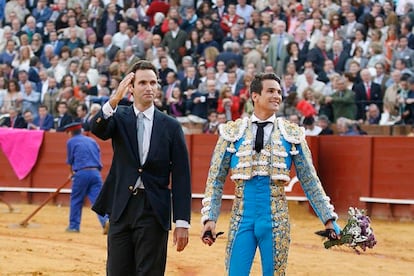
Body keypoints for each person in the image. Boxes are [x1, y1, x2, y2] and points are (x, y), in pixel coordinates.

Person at [200, 73, 341, 275]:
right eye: (271, 91)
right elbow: (215, 179)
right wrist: (209, 219)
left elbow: (310, 180)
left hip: (276, 220)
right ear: (255, 96)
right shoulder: (233, 132)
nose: (277, 96)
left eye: (279, 92)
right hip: (242, 218)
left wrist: (329, 219)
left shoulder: (292, 134)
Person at [90, 60, 191, 275]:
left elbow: (182, 176)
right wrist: (114, 99)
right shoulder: (119, 116)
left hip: (153, 208)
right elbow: (97, 128)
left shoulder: (171, 126)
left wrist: (182, 221)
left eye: (153, 82)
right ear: (131, 87)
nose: (149, 87)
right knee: (117, 271)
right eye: (142, 82)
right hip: (122, 207)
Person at [63, 122, 108, 233]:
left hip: (81, 173)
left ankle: (74, 226)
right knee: (98, 200)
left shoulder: (71, 141)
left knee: (76, 199)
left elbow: (70, 161)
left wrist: (71, 173)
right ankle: (106, 221)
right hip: (95, 173)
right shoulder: (92, 140)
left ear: (70, 133)